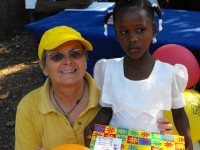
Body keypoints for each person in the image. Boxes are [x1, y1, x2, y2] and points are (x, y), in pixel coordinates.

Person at [15, 25, 173, 150]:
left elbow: (133, 143)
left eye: (76, 54)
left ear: (86, 60)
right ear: (43, 67)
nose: (68, 61)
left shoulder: (113, 98)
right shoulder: (29, 107)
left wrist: (157, 136)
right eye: (56, 56)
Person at [86, 0, 193, 149]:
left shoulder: (169, 73)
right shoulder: (108, 69)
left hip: (153, 145)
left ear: (153, 30)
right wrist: (92, 126)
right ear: (116, 34)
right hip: (116, 144)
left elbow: (179, 112)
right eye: (124, 32)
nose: (132, 38)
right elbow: (107, 109)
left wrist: (187, 140)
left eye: (140, 29)